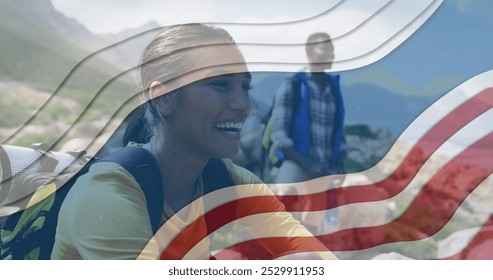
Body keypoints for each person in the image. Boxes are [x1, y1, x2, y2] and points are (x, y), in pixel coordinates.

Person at [51, 24, 336, 260]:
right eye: (220, 84)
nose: (243, 105)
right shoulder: (108, 195)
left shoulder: (228, 179)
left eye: (245, 87)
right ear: (163, 97)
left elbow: (312, 255)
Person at [270, 32, 347, 234]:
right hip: (297, 162)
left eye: (332, 50)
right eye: (326, 49)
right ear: (310, 52)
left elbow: (338, 132)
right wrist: (308, 164)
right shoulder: (292, 86)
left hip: (322, 169)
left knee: (314, 226)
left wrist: (339, 164)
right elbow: (279, 137)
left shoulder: (333, 90)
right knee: (282, 201)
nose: (331, 54)